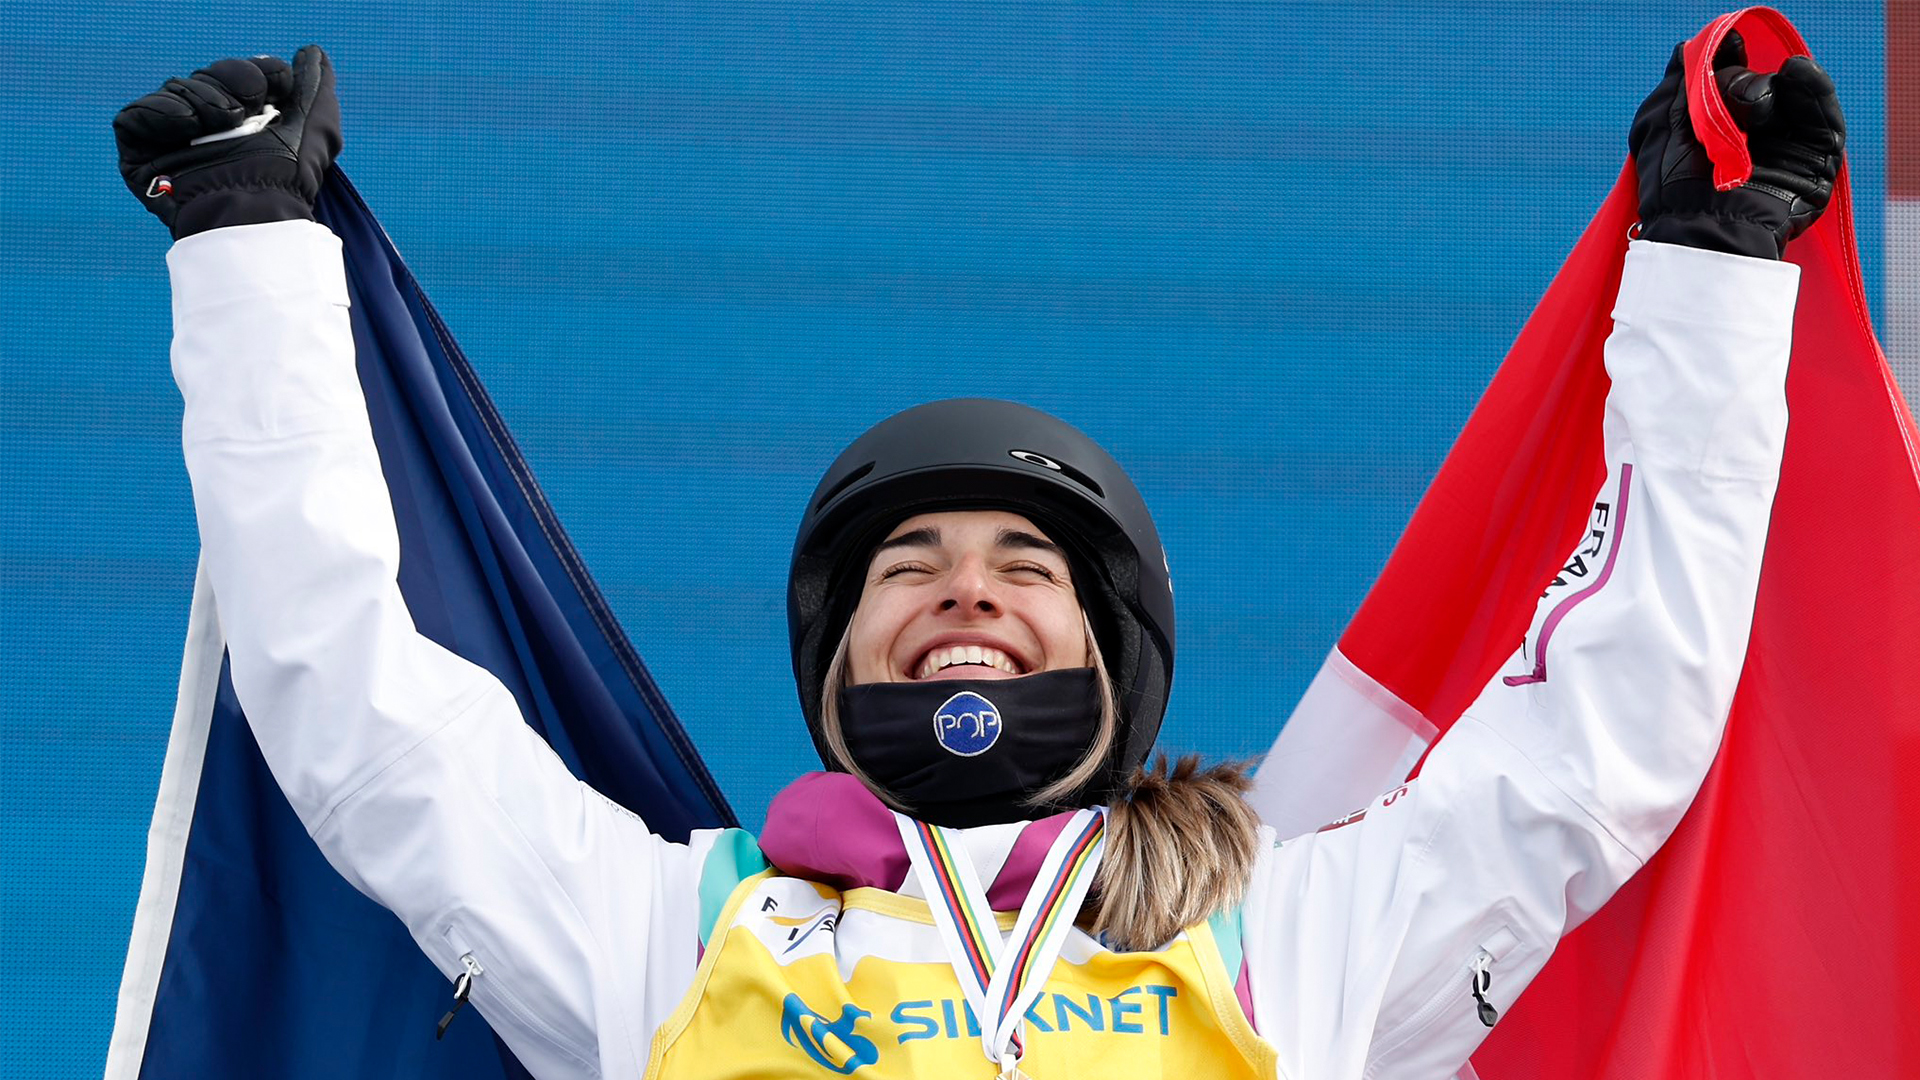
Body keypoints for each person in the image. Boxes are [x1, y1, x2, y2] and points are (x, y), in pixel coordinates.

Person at [114, 36, 1842, 1080]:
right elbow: (353, 707)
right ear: (841, 659)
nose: (965, 588)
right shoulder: (663, 930)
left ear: (1112, 653)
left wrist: (1707, 275)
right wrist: (252, 259)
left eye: (1025, 564)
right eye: (910, 564)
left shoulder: (1299, 937)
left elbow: (1606, 740)